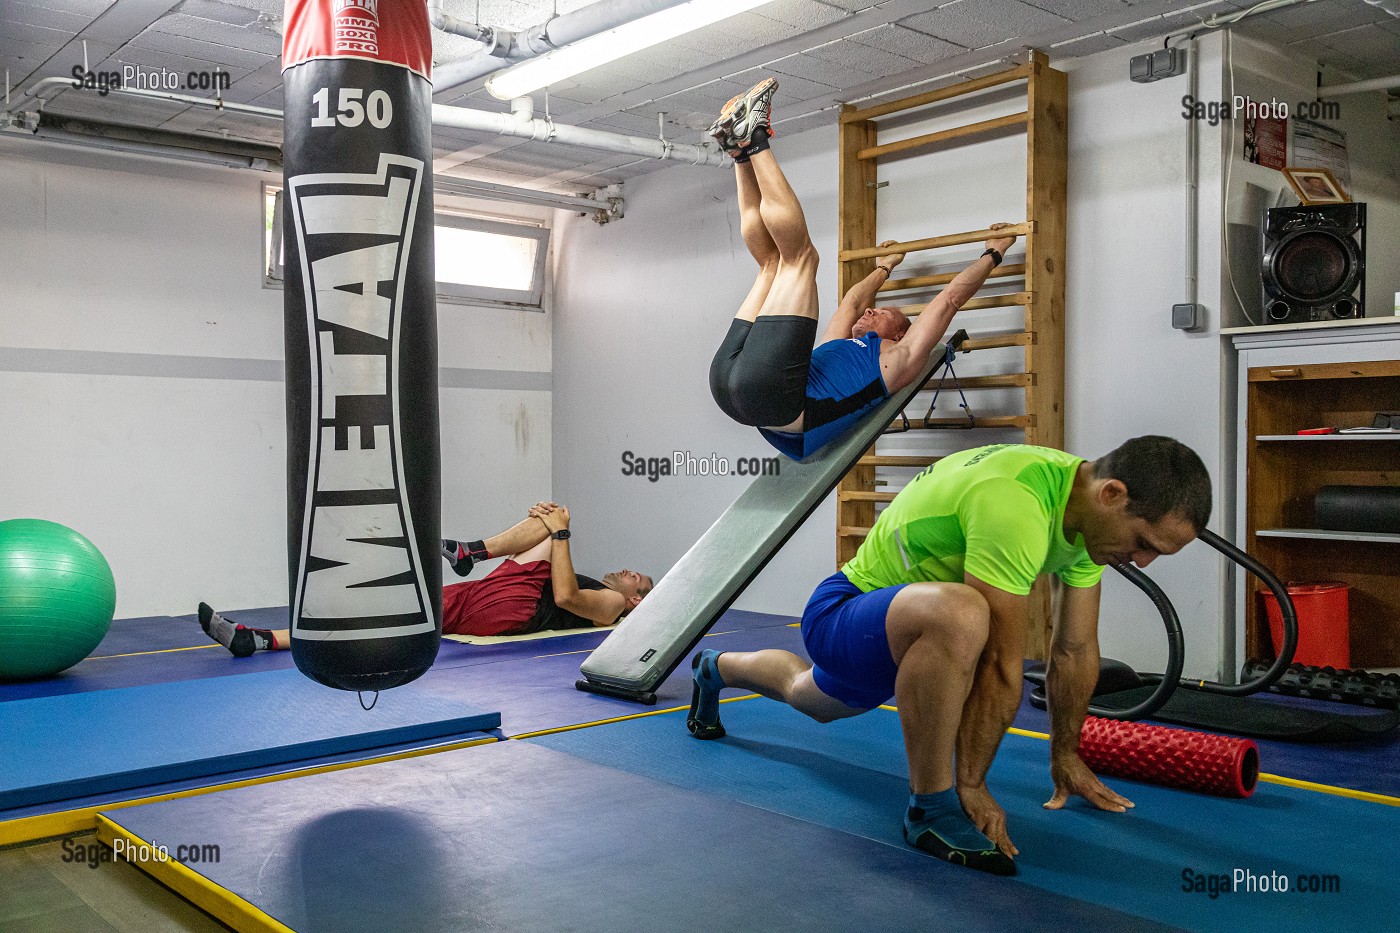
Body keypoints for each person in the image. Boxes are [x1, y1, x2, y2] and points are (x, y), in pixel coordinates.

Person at [686, 437, 1212, 876]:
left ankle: (716, 667)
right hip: (845, 613)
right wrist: (968, 785)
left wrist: (1067, 754)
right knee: (963, 613)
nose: (1142, 562)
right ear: (1113, 494)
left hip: (907, 640)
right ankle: (929, 807)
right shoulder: (1017, 501)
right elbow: (1002, 666)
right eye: (1144, 543)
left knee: (810, 696)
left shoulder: (1087, 519)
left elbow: (1074, 650)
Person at [706, 76, 1018, 461]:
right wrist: (885, 267)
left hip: (769, 398)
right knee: (770, 264)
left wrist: (993, 254)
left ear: (901, 332)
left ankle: (754, 138)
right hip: (734, 389)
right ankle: (738, 152)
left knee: (800, 259)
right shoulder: (843, 345)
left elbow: (949, 299)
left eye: (883, 313)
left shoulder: (899, 359)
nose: (871, 311)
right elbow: (854, 300)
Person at [198, 502, 653, 656]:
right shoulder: (601, 581)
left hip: (513, 606)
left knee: (558, 518)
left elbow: (567, 596)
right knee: (390, 608)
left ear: (633, 602)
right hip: (491, 592)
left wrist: (561, 531)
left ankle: (471, 552)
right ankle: (258, 640)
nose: (634, 575)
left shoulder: (611, 605)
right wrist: (554, 528)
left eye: (642, 584)